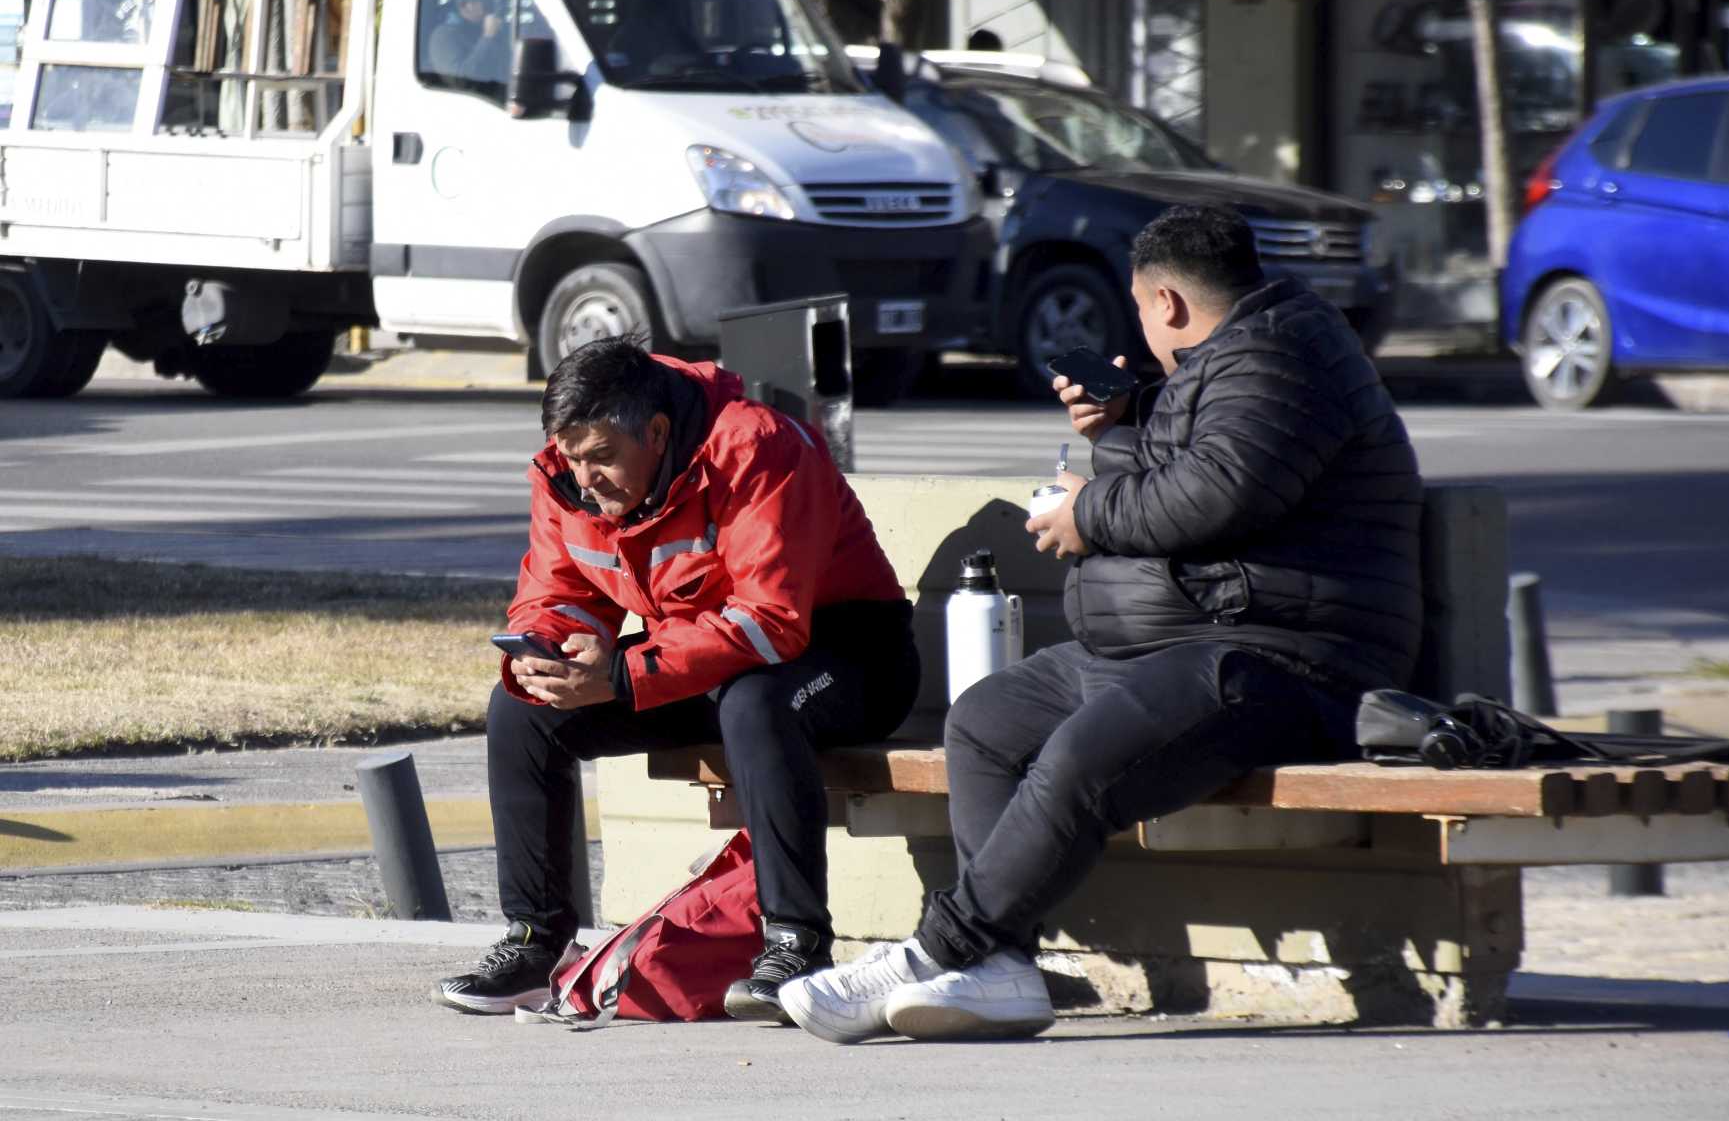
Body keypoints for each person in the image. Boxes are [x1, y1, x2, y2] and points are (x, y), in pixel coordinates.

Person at [778, 203, 1424, 1043]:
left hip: (1280, 657)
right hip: (1182, 640)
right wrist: (1124, 422)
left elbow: (1217, 494)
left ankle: (940, 949)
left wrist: (1088, 513)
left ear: (1167, 302)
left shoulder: (1284, 355)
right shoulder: (1231, 358)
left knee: (1079, 755)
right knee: (985, 722)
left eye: (1142, 310)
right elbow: (1202, 465)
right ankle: (1004, 968)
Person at [432, 338, 921, 1022]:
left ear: (657, 433)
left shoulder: (757, 445)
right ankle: (533, 943)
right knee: (523, 707)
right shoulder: (565, 475)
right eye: (572, 458)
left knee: (756, 702)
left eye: (602, 457)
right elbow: (559, 586)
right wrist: (546, 649)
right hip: (699, 655)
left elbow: (771, 623)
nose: (586, 477)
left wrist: (626, 673)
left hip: (848, 655)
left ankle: (795, 948)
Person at [426, 0, 511, 93]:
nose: (489, 6)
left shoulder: (479, 30)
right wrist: (487, 37)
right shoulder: (443, 36)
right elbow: (461, 82)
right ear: (465, 5)